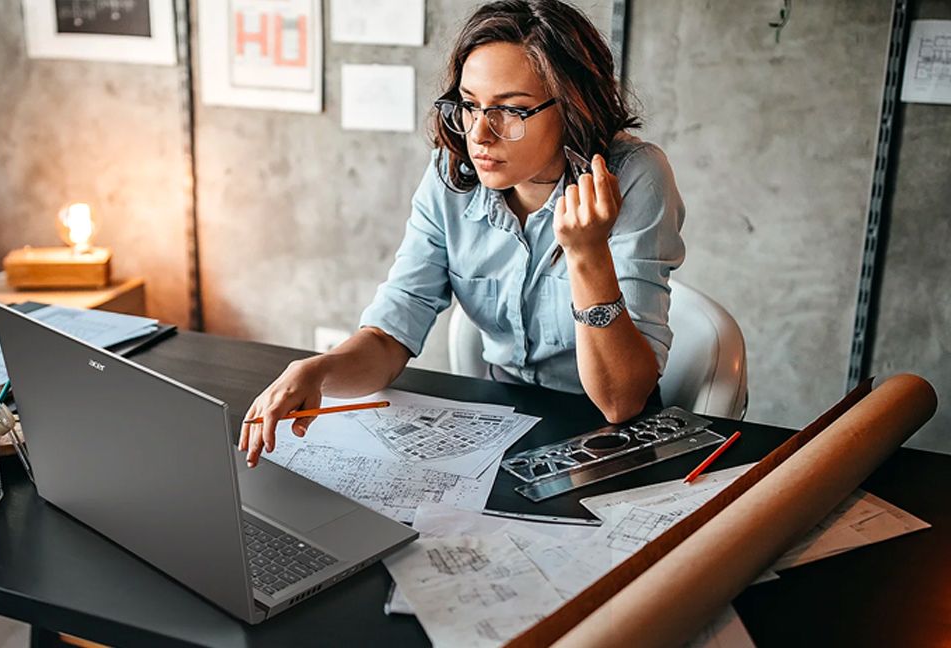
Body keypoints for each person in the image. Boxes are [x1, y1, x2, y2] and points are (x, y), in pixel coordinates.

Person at [239, 0, 685, 468]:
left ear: (574, 106)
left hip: (609, 441)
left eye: (511, 111)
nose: (479, 135)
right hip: (504, 423)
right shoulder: (451, 173)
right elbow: (392, 333)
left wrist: (587, 253)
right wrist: (318, 370)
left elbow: (620, 402)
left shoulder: (636, 176)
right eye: (470, 106)